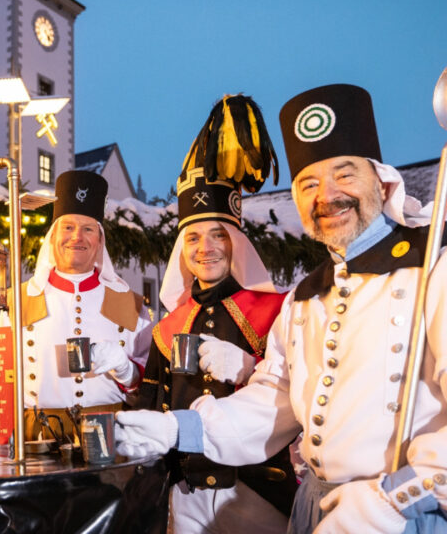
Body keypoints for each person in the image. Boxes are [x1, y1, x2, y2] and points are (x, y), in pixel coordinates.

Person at [117, 83, 447, 534]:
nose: (326, 195)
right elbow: (273, 399)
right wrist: (182, 429)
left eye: (344, 175)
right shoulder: (305, 296)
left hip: (406, 514)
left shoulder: (433, 268)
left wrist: (397, 498)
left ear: (382, 180)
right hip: (314, 508)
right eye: (308, 183)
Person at [136, 95, 296, 534]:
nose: (204, 249)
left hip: (257, 488)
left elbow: (304, 395)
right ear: (181, 253)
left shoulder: (276, 311)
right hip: (184, 489)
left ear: (236, 243)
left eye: (217, 236)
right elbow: (151, 408)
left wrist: (249, 368)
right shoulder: (168, 327)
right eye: (193, 240)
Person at [0, 170, 153, 441]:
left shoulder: (130, 302)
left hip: (112, 436)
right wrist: (2, 444)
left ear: (100, 240)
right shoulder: (18, 300)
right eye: (68, 227)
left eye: (88, 229)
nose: (77, 237)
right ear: (53, 235)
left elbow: (151, 385)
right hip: (37, 438)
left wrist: (127, 370)